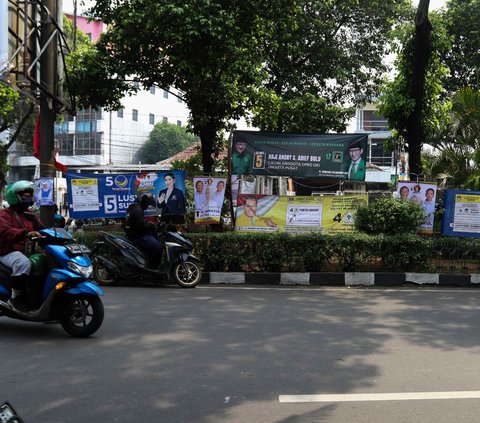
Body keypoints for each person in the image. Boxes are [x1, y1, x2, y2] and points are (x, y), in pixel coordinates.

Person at [0, 181, 43, 312]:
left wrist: (55, 230)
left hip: (25, 250)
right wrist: (25, 233)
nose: (28, 198)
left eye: (30, 195)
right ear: (14, 196)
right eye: (24, 195)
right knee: (22, 263)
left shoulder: (30, 213)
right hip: (7, 251)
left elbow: (41, 227)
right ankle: (15, 298)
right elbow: (5, 231)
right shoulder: (4, 214)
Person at [125, 192, 163, 268]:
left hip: (137, 234)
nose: (147, 206)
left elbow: (139, 223)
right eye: (147, 203)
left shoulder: (135, 208)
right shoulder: (138, 210)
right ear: (143, 201)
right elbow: (141, 225)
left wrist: (149, 224)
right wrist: (151, 224)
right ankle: (152, 267)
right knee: (158, 247)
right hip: (139, 237)